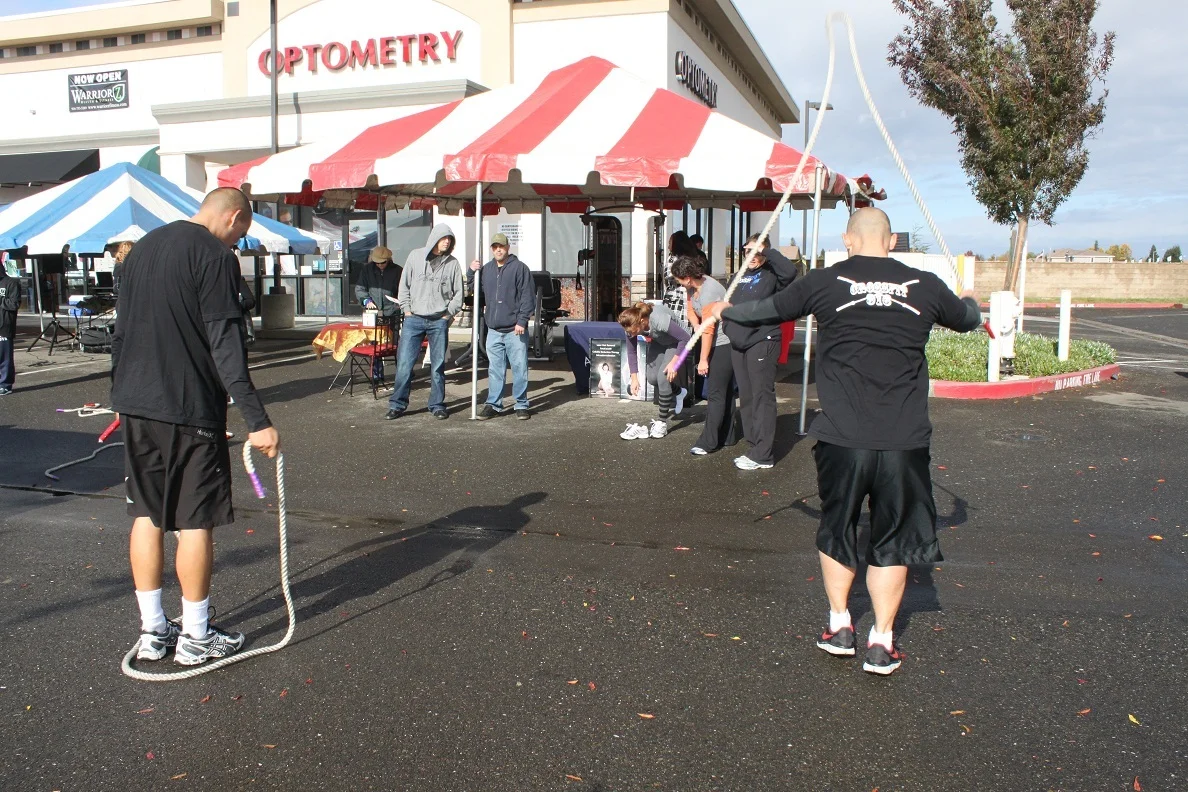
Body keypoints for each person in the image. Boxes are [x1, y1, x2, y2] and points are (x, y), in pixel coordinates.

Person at [708, 208, 981, 676]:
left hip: (842, 440)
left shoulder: (825, 282)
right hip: (903, 442)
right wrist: (971, 300)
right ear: (891, 241)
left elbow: (766, 310)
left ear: (848, 239)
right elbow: (968, 319)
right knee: (893, 541)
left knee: (838, 529)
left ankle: (840, 627)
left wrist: (724, 310)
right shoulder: (925, 285)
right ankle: (882, 642)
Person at [111, 187, 280, 667]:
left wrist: (119, 394)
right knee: (193, 520)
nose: (237, 242)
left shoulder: (142, 248)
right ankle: (196, 636)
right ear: (234, 217)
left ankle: (153, 631)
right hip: (187, 407)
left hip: (136, 402)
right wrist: (257, 421)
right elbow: (226, 344)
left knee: (147, 514)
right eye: (241, 233)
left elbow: (120, 331)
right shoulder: (215, 256)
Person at [721, 232, 798, 471]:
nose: (752, 256)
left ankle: (763, 455)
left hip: (763, 341)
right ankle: (753, 447)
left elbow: (790, 272)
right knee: (746, 396)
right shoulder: (738, 276)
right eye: (748, 252)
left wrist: (764, 249)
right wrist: (729, 329)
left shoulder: (773, 275)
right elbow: (727, 305)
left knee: (762, 396)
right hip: (739, 343)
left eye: (757, 252)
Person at [386, 224, 464, 420]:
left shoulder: (453, 263)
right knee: (404, 364)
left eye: (450, 239)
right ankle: (397, 404)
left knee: (437, 366)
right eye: (444, 238)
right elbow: (404, 286)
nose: (447, 241)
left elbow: (459, 294)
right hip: (414, 319)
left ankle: (437, 405)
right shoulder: (415, 256)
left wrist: (448, 314)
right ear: (435, 238)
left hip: (438, 320)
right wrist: (407, 310)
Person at [671, 254, 739, 456]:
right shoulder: (692, 287)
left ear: (688, 277)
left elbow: (709, 331)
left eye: (679, 280)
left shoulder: (710, 292)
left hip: (724, 343)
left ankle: (708, 442)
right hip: (711, 339)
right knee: (724, 391)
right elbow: (691, 311)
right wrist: (696, 326)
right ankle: (727, 436)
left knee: (716, 393)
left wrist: (703, 360)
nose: (679, 284)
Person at [470, 233, 535, 420]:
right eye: (495, 247)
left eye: (501, 246)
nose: (498, 250)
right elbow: (475, 289)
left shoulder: (520, 268)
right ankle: (493, 404)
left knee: (519, 368)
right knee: (495, 370)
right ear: (492, 249)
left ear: (508, 247)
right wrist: (471, 272)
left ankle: (521, 404)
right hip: (493, 330)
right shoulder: (487, 269)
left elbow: (527, 296)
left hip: (515, 329)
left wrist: (522, 320)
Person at [617, 301, 690, 440]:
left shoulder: (658, 320)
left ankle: (662, 423)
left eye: (633, 331)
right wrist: (634, 378)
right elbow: (631, 352)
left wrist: (674, 363)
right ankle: (679, 392)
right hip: (660, 341)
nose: (630, 334)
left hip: (679, 342)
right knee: (652, 378)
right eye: (628, 332)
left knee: (663, 377)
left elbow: (685, 338)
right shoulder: (630, 327)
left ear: (642, 321)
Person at [355, 245, 403, 382]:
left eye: (383, 263)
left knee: (395, 344)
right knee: (375, 343)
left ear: (388, 260)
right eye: (377, 263)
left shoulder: (398, 270)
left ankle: (402, 373)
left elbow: (404, 289)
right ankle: (377, 374)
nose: (380, 265)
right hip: (373, 312)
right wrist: (366, 300)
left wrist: (400, 301)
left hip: (392, 311)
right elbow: (360, 288)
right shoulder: (367, 270)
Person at [0, 265, 21, 395]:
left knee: (4, 358)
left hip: (4, 325)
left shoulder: (11, 283)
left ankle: (5, 385)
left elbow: (14, 304)